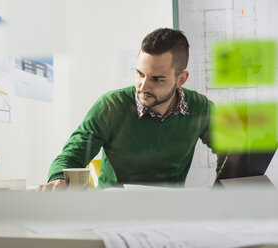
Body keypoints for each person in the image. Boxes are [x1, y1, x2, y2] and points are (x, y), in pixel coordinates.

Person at [36, 28, 223, 192]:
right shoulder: (111, 106)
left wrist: (221, 189)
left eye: (157, 79)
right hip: (114, 212)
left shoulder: (200, 108)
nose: (143, 86)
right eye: (140, 74)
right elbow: (72, 155)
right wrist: (58, 179)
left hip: (168, 212)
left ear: (181, 80)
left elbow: (231, 152)